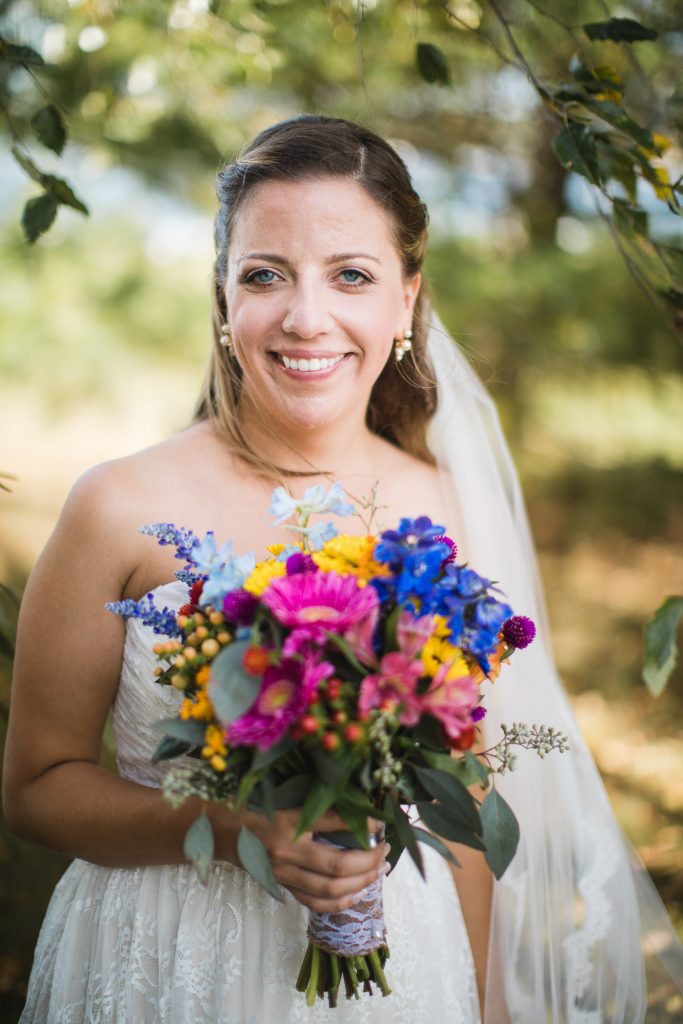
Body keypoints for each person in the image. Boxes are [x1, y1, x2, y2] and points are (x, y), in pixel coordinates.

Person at [3, 114, 682, 1024]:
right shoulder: (118, 505)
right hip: (164, 960)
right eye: (264, 275)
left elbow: (468, 795)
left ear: (405, 300)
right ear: (222, 297)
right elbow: (35, 789)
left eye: (350, 276)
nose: (304, 317)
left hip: (405, 967)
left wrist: (481, 1001)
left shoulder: (447, 510)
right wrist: (237, 829)